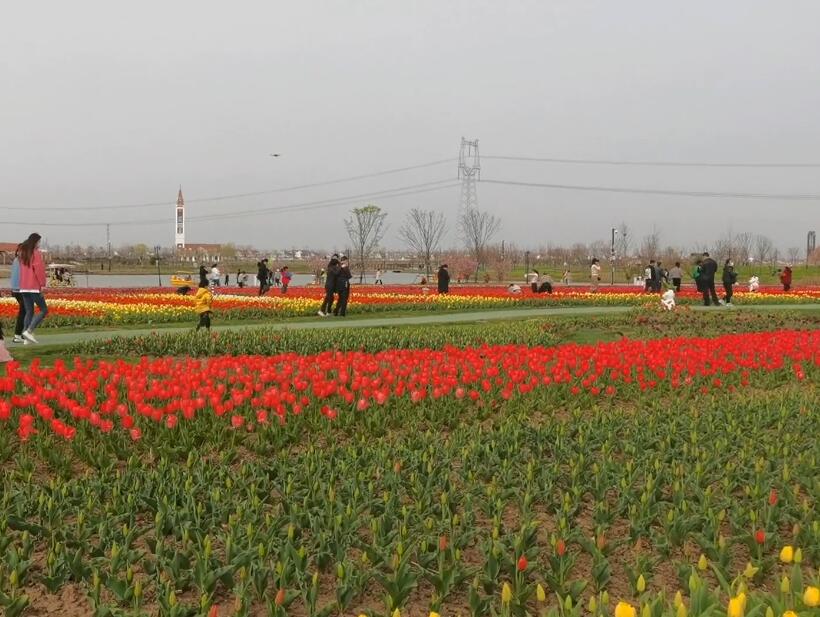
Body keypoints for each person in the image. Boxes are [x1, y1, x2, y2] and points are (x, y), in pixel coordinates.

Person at [18, 232, 48, 343]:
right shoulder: (36, 254)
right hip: (34, 287)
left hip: (24, 287)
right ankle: (29, 331)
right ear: (35, 242)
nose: (39, 244)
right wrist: (42, 284)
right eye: (39, 241)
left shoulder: (23, 253)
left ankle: (26, 337)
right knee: (44, 310)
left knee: (29, 311)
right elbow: (39, 271)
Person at [9, 245, 26, 344]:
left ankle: (21, 334)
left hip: (16, 290)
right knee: (23, 312)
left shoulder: (17, 260)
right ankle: (17, 335)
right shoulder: (21, 260)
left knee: (25, 311)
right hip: (20, 290)